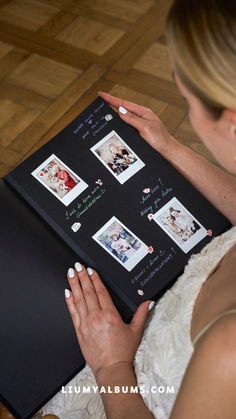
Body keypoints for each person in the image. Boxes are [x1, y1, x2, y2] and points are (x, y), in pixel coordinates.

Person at [61, 1, 236, 418]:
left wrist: (111, 366)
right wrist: (168, 149)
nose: (188, 115)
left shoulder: (229, 353)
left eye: (187, 98)